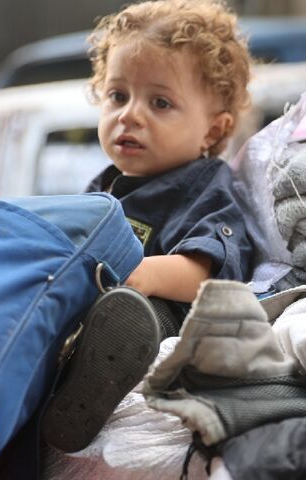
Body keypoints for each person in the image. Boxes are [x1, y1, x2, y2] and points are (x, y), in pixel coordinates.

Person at [42, 0, 254, 452]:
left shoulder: (205, 186)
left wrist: (143, 275)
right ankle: (64, 380)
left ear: (213, 132)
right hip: (86, 314)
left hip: (157, 321)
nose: (130, 115)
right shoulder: (100, 189)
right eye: (118, 96)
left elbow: (207, 272)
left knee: (135, 314)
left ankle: (92, 378)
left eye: (160, 102)